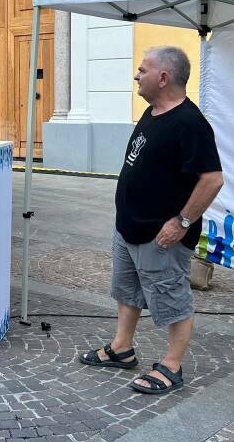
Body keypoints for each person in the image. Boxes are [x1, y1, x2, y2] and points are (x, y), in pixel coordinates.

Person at [80, 46, 223, 395]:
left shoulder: (190, 123)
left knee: (172, 299)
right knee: (127, 292)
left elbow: (212, 179)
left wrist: (182, 222)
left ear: (163, 77)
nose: (136, 75)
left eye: (142, 70)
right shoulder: (153, 111)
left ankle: (171, 366)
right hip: (129, 227)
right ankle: (122, 348)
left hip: (162, 235)